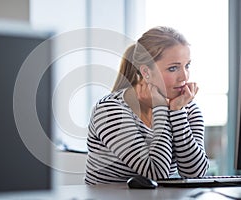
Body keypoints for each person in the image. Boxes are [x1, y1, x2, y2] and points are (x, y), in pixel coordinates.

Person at [85, 26, 209, 185]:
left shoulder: (186, 107)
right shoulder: (110, 111)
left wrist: (177, 112)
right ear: (146, 72)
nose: (184, 76)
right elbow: (157, 174)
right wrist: (160, 109)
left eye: (187, 66)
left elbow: (195, 173)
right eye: (173, 68)